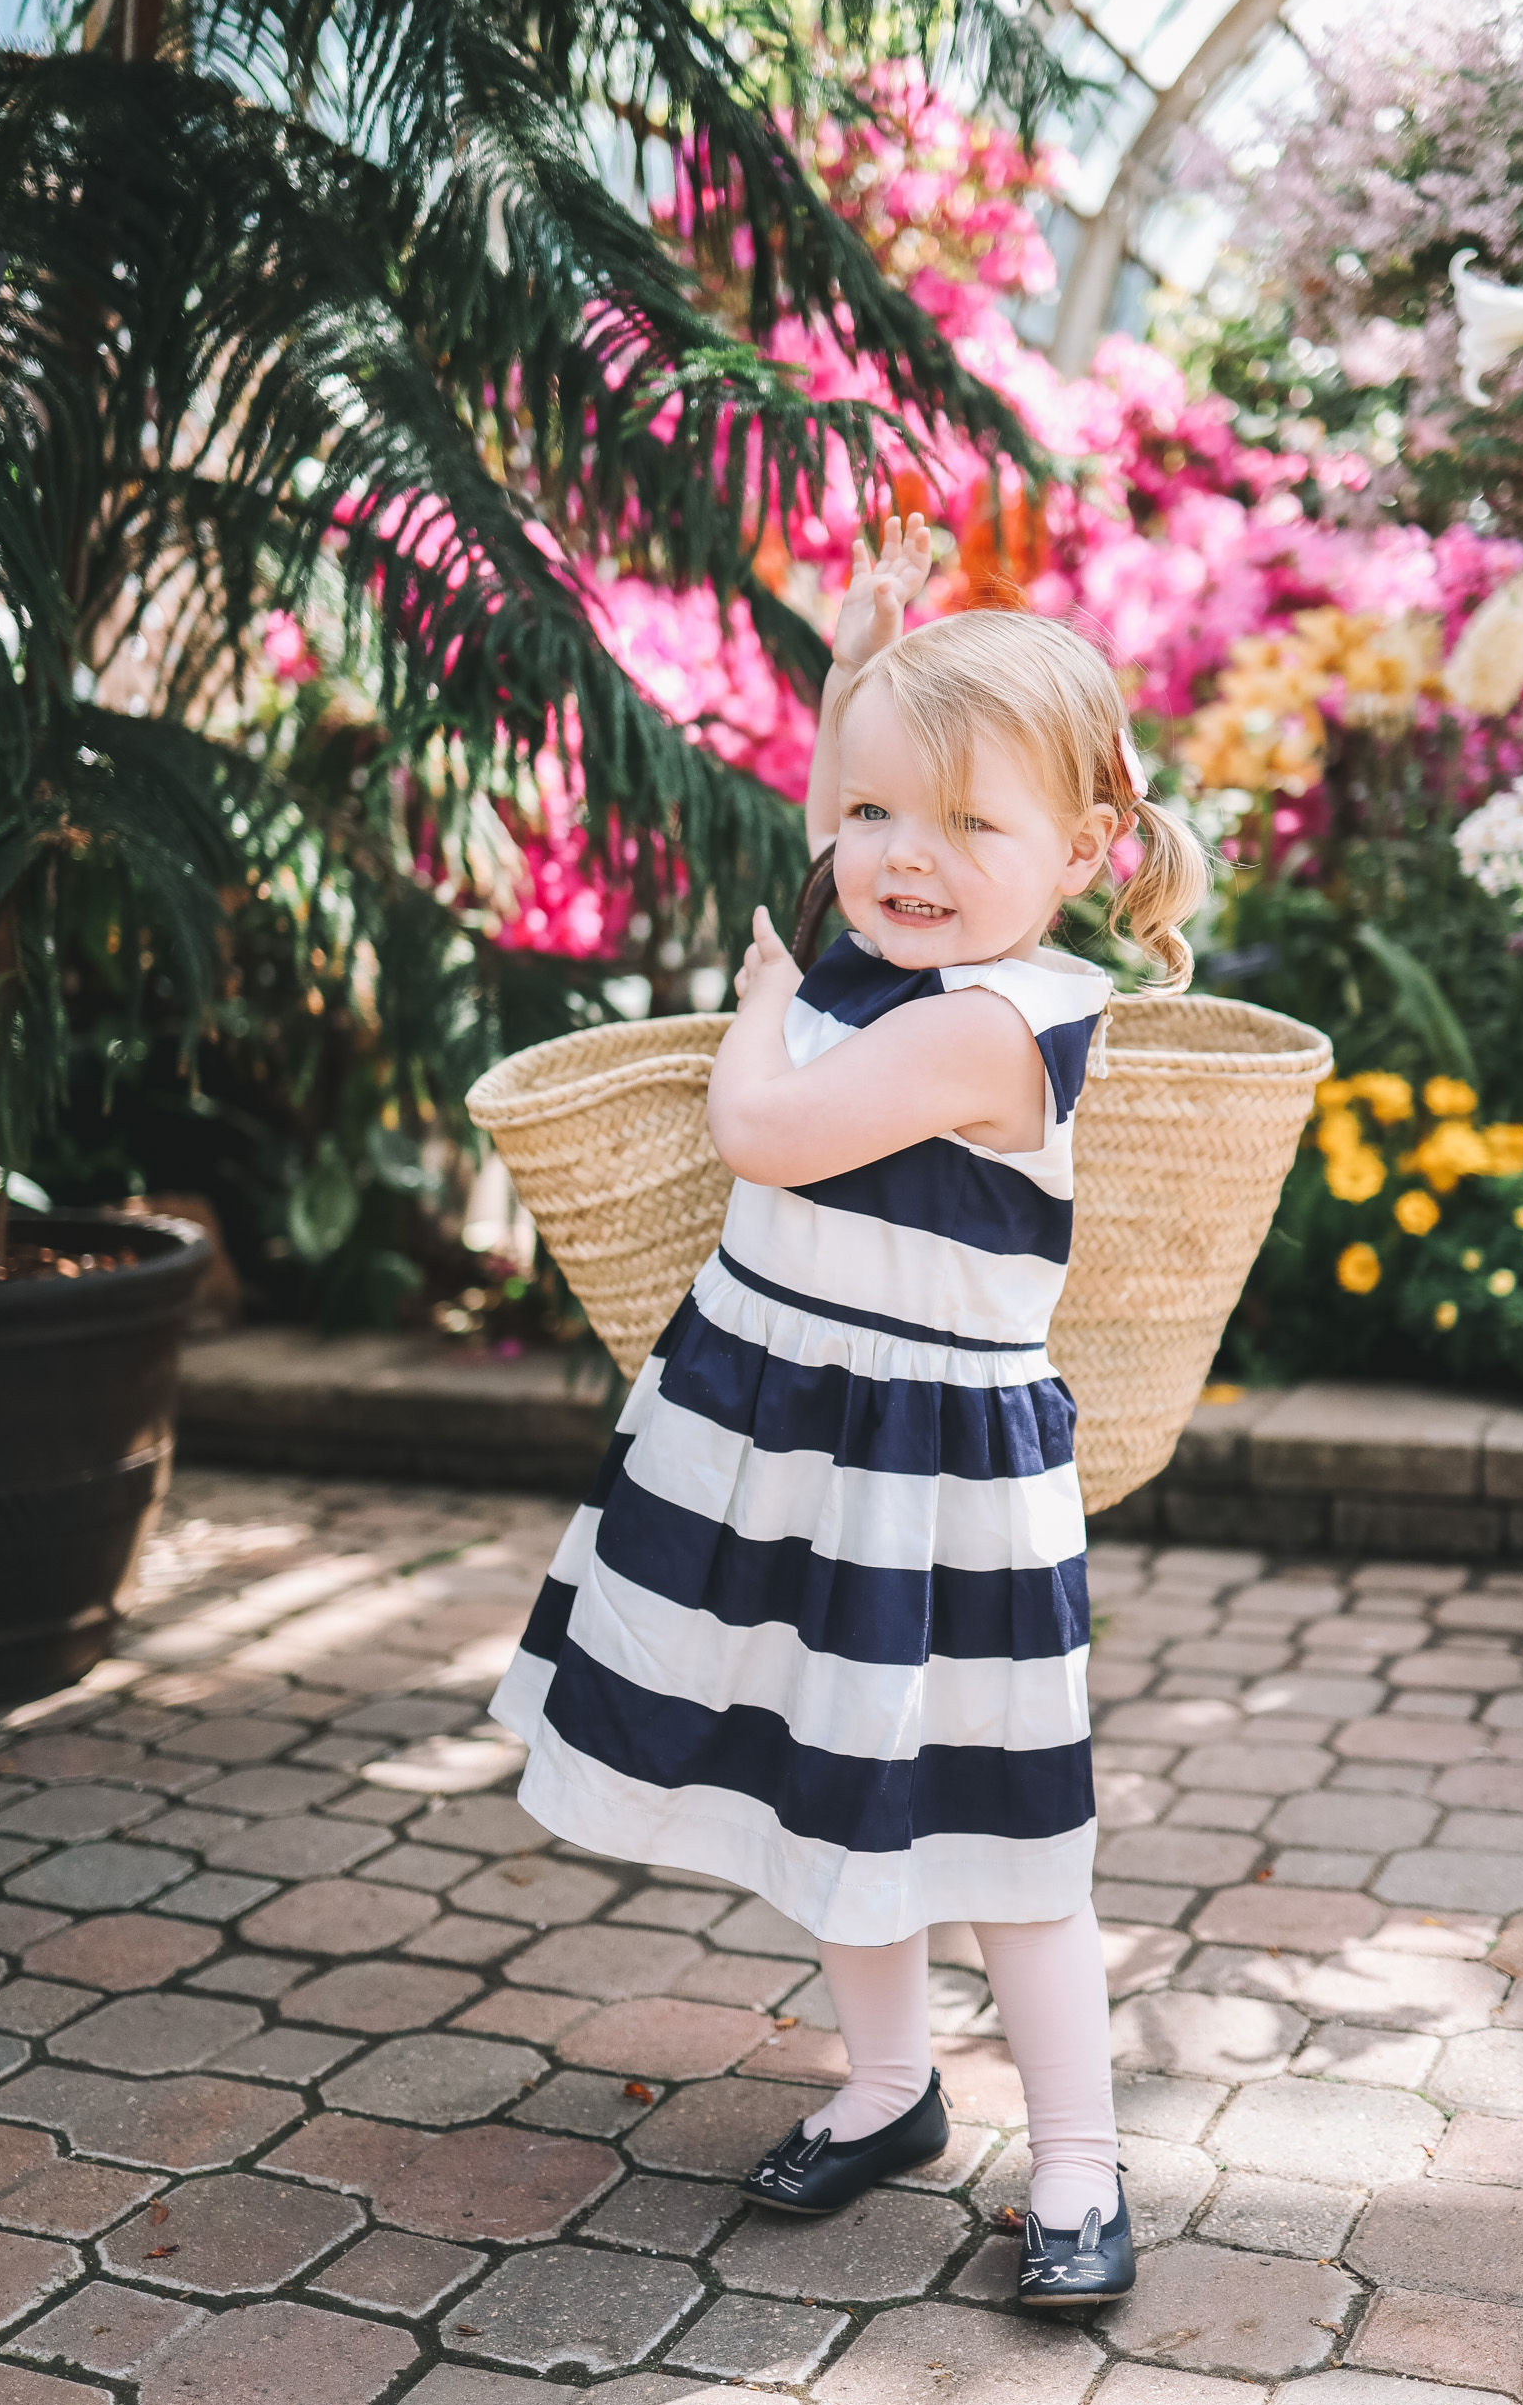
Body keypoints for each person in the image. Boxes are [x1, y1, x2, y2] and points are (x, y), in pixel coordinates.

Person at [490, 512, 1210, 2310]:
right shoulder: (885, 932)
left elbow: (767, 1130)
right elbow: (848, 821)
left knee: (1003, 1840)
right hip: (789, 1430)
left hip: (924, 1477)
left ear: (1089, 852)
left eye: (975, 826)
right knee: (830, 1780)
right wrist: (851, 691)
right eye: (881, 811)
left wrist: (751, 1012)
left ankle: (1081, 2167)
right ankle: (890, 2090)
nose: (902, 858)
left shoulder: (1002, 1023)